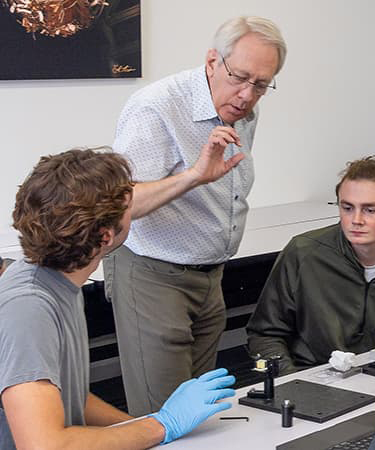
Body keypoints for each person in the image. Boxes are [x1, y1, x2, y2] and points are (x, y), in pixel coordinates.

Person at [104, 16, 287, 415]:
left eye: (261, 84)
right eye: (239, 77)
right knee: (165, 420)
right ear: (211, 62)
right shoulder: (157, 107)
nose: (246, 94)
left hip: (211, 275)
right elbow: (119, 203)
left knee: (199, 415)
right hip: (153, 274)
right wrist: (193, 177)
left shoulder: (244, 109)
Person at [0, 148, 236, 449]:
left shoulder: (58, 280)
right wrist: (163, 425)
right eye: (128, 203)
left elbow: (66, 395)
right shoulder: (29, 308)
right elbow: (44, 445)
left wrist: (139, 426)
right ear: (105, 237)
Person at [246, 151, 375, 374]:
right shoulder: (304, 253)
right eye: (347, 208)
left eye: (370, 209)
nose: (356, 220)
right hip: (318, 377)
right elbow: (265, 334)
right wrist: (293, 383)